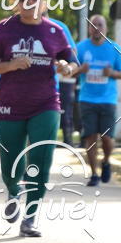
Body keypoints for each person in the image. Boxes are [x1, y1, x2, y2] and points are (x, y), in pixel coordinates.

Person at [0, 0, 78, 237]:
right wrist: (10, 65)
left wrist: (67, 68)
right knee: (10, 161)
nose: (29, 3)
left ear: (44, 2)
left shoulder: (55, 31)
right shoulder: (4, 29)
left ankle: (31, 217)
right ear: (17, 2)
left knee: (41, 158)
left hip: (45, 103)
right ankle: (13, 190)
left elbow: (72, 62)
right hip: (9, 105)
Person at [76, 14, 121, 186]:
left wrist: (111, 73)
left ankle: (105, 161)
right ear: (89, 28)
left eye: (100, 24)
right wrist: (80, 69)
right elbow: (70, 70)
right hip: (87, 98)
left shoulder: (114, 48)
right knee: (90, 137)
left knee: (107, 138)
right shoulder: (81, 48)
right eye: (93, 25)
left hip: (107, 99)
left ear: (106, 28)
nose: (96, 27)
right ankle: (94, 174)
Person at [48, 17, 79, 146]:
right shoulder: (15, 25)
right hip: (23, 89)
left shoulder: (59, 26)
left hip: (59, 82)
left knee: (65, 109)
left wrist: (66, 68)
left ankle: (67, 139)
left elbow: (73, 55)